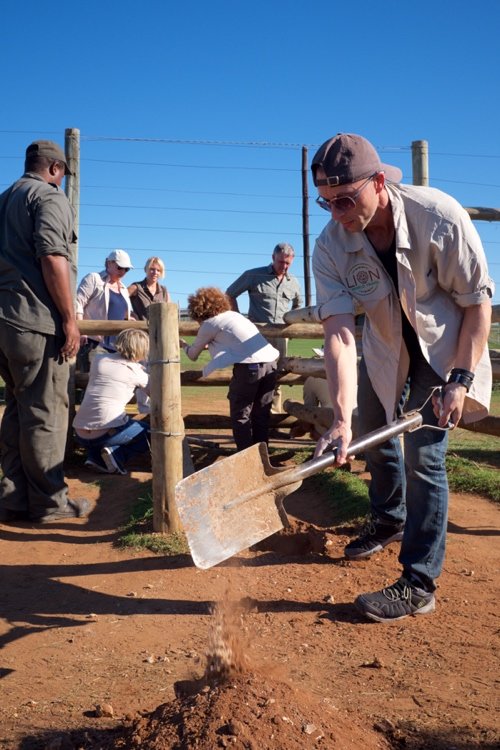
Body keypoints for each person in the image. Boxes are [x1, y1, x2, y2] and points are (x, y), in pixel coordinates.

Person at [311, 133, 493, 622]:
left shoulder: (438, 216)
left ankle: (419, 581)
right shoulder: (330, 245)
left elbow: (477, 304)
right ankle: (389, 519)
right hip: (386, 346)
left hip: (445, 347)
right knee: (370, 431)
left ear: (378, 182)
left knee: (424, 454)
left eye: (345, 199)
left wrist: (459, 378)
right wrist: (340, 417)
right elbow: (340, 334)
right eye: (325, 202)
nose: (337, 213)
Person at [0, 140, 90, 523]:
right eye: (62, 174)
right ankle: (50, 503)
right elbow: (53, 256)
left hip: (4, 320)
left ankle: (14, 496)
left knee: (18, 408)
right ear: (55, 169)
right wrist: (69, 319)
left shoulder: (4, 200)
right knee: (46, 411)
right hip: (35, 320)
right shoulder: (48, 198)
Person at [180, 287, 279, 451]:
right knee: (261, 414)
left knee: (241, 414)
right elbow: (236, 341)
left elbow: (192, 355)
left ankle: (244, 458)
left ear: (197, 310)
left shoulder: (209, 324)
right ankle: (262, 455)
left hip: (249, 368)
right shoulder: (234, 316)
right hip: (271, 363)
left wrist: (184, 345)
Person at [226, 243, 302, 412]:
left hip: (281, 338)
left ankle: (271, 416)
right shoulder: (254, 275)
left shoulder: (294, 282)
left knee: (277, 374)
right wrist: (240, 320)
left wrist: (291, 326)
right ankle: (250, 414)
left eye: (288, 263)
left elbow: (298, 304)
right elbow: (229, 294)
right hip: (256, 336)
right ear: (273, 257)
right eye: (281, 262)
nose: (284, 266)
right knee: (253, 374)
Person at [73, 329, 151, 474]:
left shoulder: (99, 360)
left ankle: (95, 457)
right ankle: (117, 454)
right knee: (149, 434)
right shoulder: (136, 372)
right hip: (106, 434)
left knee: (103, 423)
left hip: (80, 432)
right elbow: (155, 392)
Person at [76, 249, 134, 369]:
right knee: (89, 382)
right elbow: (77, 304)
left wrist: (129, 320)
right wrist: (82, 331)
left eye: (126, 269)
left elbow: (122, 315)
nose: (123, 271)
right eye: (120, 267)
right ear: (108, 263)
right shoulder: (94, 279)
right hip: (94, 344)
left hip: (118, 347)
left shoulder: (123, 288)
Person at [127, 256, 171, 320]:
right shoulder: (136, 287)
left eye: (158, 270)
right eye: (152, 269)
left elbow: (170, 311)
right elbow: (119, 300)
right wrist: (129, 313)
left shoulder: (164, 291)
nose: (155, 272)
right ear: (145, 269)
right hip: (140, 329)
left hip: (160, 329)